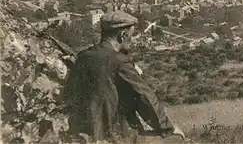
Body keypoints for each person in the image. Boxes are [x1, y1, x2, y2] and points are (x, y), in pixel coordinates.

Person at [63, 11, 185, 143]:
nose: (131, 41)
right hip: (114, 137)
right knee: (177, 139)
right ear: (123, 35)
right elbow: (145, 97)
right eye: (131, 36)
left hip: (84, 135)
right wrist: (168, 128)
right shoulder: (120, 62)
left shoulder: (83, 57)